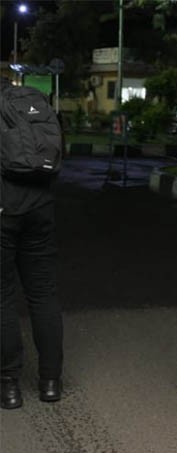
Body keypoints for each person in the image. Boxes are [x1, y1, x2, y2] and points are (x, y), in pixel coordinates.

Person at [0, 77, 64, 409]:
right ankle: (50, 382)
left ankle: (9, 386)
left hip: (4, 211)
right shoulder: (30, 103)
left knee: (3, 299)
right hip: (40, 209)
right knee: (43, 294)